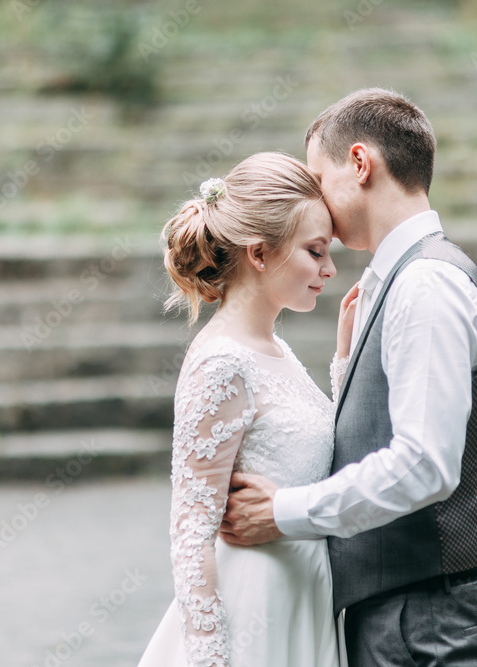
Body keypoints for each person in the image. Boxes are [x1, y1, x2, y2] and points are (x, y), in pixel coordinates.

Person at [221, 88, 477, 666]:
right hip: (402, 612)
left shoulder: (425, 284)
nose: (314, 202)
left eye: (316, 179)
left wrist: (283, 512)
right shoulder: (399, 281)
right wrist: (346, 366)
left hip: (424, 620)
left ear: (359, 163)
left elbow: (424, 464)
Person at [137, 152, 356, 667]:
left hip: (302, 599)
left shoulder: (276, 349)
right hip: (255, 608)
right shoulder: (221, 362)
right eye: (315, 251)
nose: (329, 269)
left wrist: (345, 362)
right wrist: (209, 655)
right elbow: (191, 529)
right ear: (259, 253)